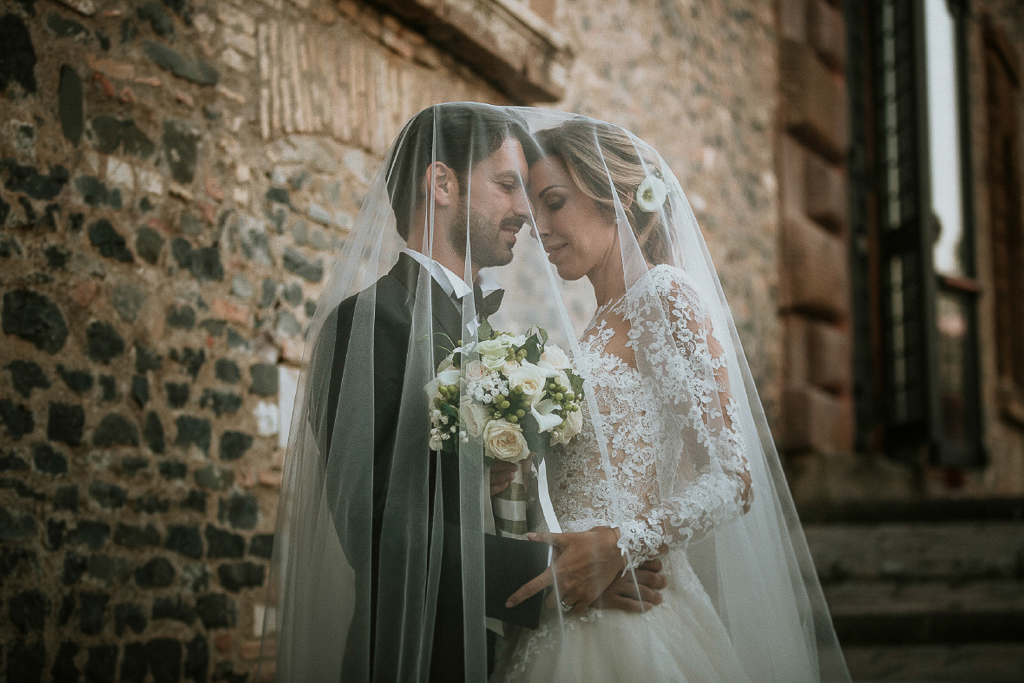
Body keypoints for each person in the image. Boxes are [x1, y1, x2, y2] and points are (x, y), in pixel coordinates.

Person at [264, 103, 667, 682]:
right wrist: (557, 575)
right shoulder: (370, 324)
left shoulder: (493, 340)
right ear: (442, 183)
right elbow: (375, 533)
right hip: (419, 655)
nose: (526, 211)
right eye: (507, 186)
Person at [489, 113, 852, 682]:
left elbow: (733, 478)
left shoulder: (666, 297)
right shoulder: (598, 323)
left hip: (638, 612)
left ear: (619, 197)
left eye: (554, 202)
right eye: (534, 208)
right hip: (577, 599)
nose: (538, 225)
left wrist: (621, 544)